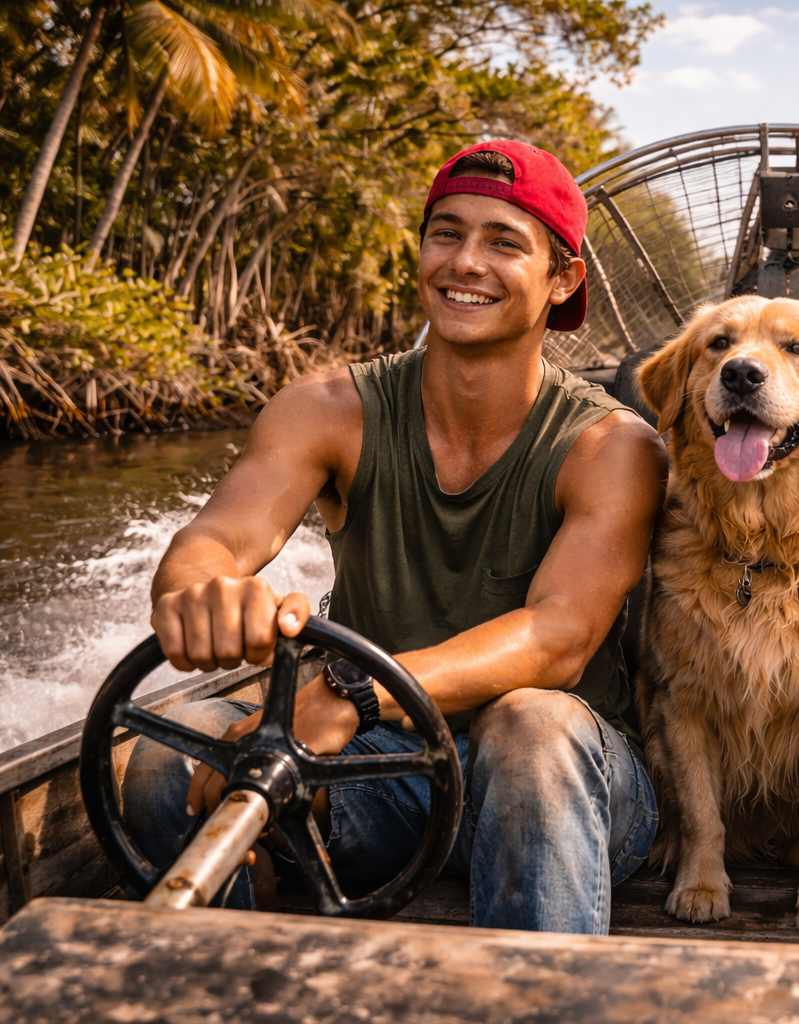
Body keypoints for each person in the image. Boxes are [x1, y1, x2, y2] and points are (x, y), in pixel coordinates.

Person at [120, 140, 668, 933]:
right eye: (446, 234)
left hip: (565, 787)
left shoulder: (611, 446)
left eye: (504, 243)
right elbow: (216, 538)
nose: (465, 262)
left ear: (563, 280)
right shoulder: (324, 410)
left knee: (531, 725)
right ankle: (238, 967)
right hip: (381, 771)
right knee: (166, 759)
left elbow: (559, 638)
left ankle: (537, 988)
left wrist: (353, 693)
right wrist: (200, 590)